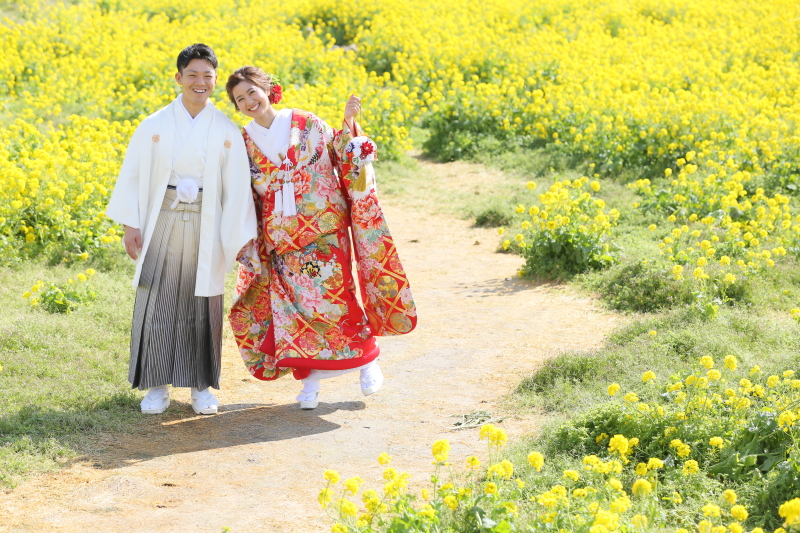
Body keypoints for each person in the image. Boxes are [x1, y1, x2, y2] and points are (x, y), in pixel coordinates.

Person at [225, 66, 417, 409]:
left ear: (269, 89)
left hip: (323, 229)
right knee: (294, 312)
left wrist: (349, 127)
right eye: (240, 99)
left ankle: (367, 361)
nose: (248, 101)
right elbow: (243, 193)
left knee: (339, 301)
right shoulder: (243, 141)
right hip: (282, 240)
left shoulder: (306, 122)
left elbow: (341, 156)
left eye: (252, 92)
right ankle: (310, 383)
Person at [106, 44, 257, 415]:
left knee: (201, 304)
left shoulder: (224, 128)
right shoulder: (154, 124)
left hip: (208, 224)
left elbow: (237, 188)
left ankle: (200, 386)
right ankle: (155, 386)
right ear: (179, 78)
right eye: (192, 74)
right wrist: (131, 225)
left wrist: (239, 239)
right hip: (163, 218)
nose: (200, 82)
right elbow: (133, 175)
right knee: (157, 299)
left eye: (207, 75)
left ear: (215, 80)